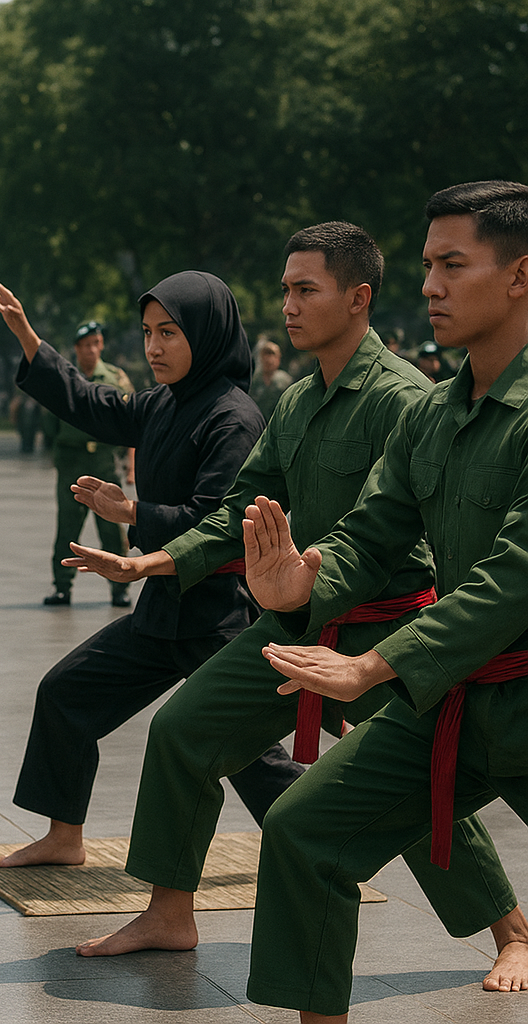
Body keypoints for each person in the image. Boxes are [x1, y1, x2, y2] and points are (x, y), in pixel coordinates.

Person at [65, 222, 524, 975]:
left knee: (419, 780)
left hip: (391, 629)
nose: (288, 306)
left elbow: (393, 541)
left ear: (358, 298)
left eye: (305, 289)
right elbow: (241, 503)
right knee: (184, 729)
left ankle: (510, 930)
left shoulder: (406, 398)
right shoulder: (299, 400)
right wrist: (155, 558)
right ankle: (168, 912)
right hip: (299, 618)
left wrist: (350, 627)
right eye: (284, 290)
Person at [241, 181, 528, 1022]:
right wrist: (304, 585)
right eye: (428, 265)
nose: (430, 286)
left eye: (452, 265)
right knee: (304, 829)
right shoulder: (434, 416)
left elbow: (513, 577)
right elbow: (369, 535)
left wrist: (374, 663)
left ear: (519, 276)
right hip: (454, 697)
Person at [0, 273, 303, 867]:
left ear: (205, 336)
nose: (153, 347)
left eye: (169, 333)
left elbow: (215, 520)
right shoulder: (162, 403)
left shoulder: (233, 419)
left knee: (251, 756)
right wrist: (30, 339)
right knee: (66, 694)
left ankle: (321, 850)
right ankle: (63, 836)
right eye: (148, 333)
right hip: (160, 613)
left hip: (216, 614)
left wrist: (128, 510)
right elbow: (94, 405)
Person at [40, 321, 134, 607]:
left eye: (96, 343)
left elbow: (130, 421)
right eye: (86, 345)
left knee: (112, 528)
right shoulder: (65, 379)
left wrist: (131, 464)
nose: (92, 349)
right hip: (72, 460)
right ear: (77, 348)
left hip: (104, 461)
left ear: (101, 345)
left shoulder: (116, 378)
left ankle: (119, 589)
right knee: (67, 526)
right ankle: (62, 587)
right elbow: (50, 421)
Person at [250, 336, 293, 420]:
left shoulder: (285, 381)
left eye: (273, 355)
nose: (269, 359)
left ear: (278, 359)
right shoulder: (254, 380)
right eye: (265, 355)